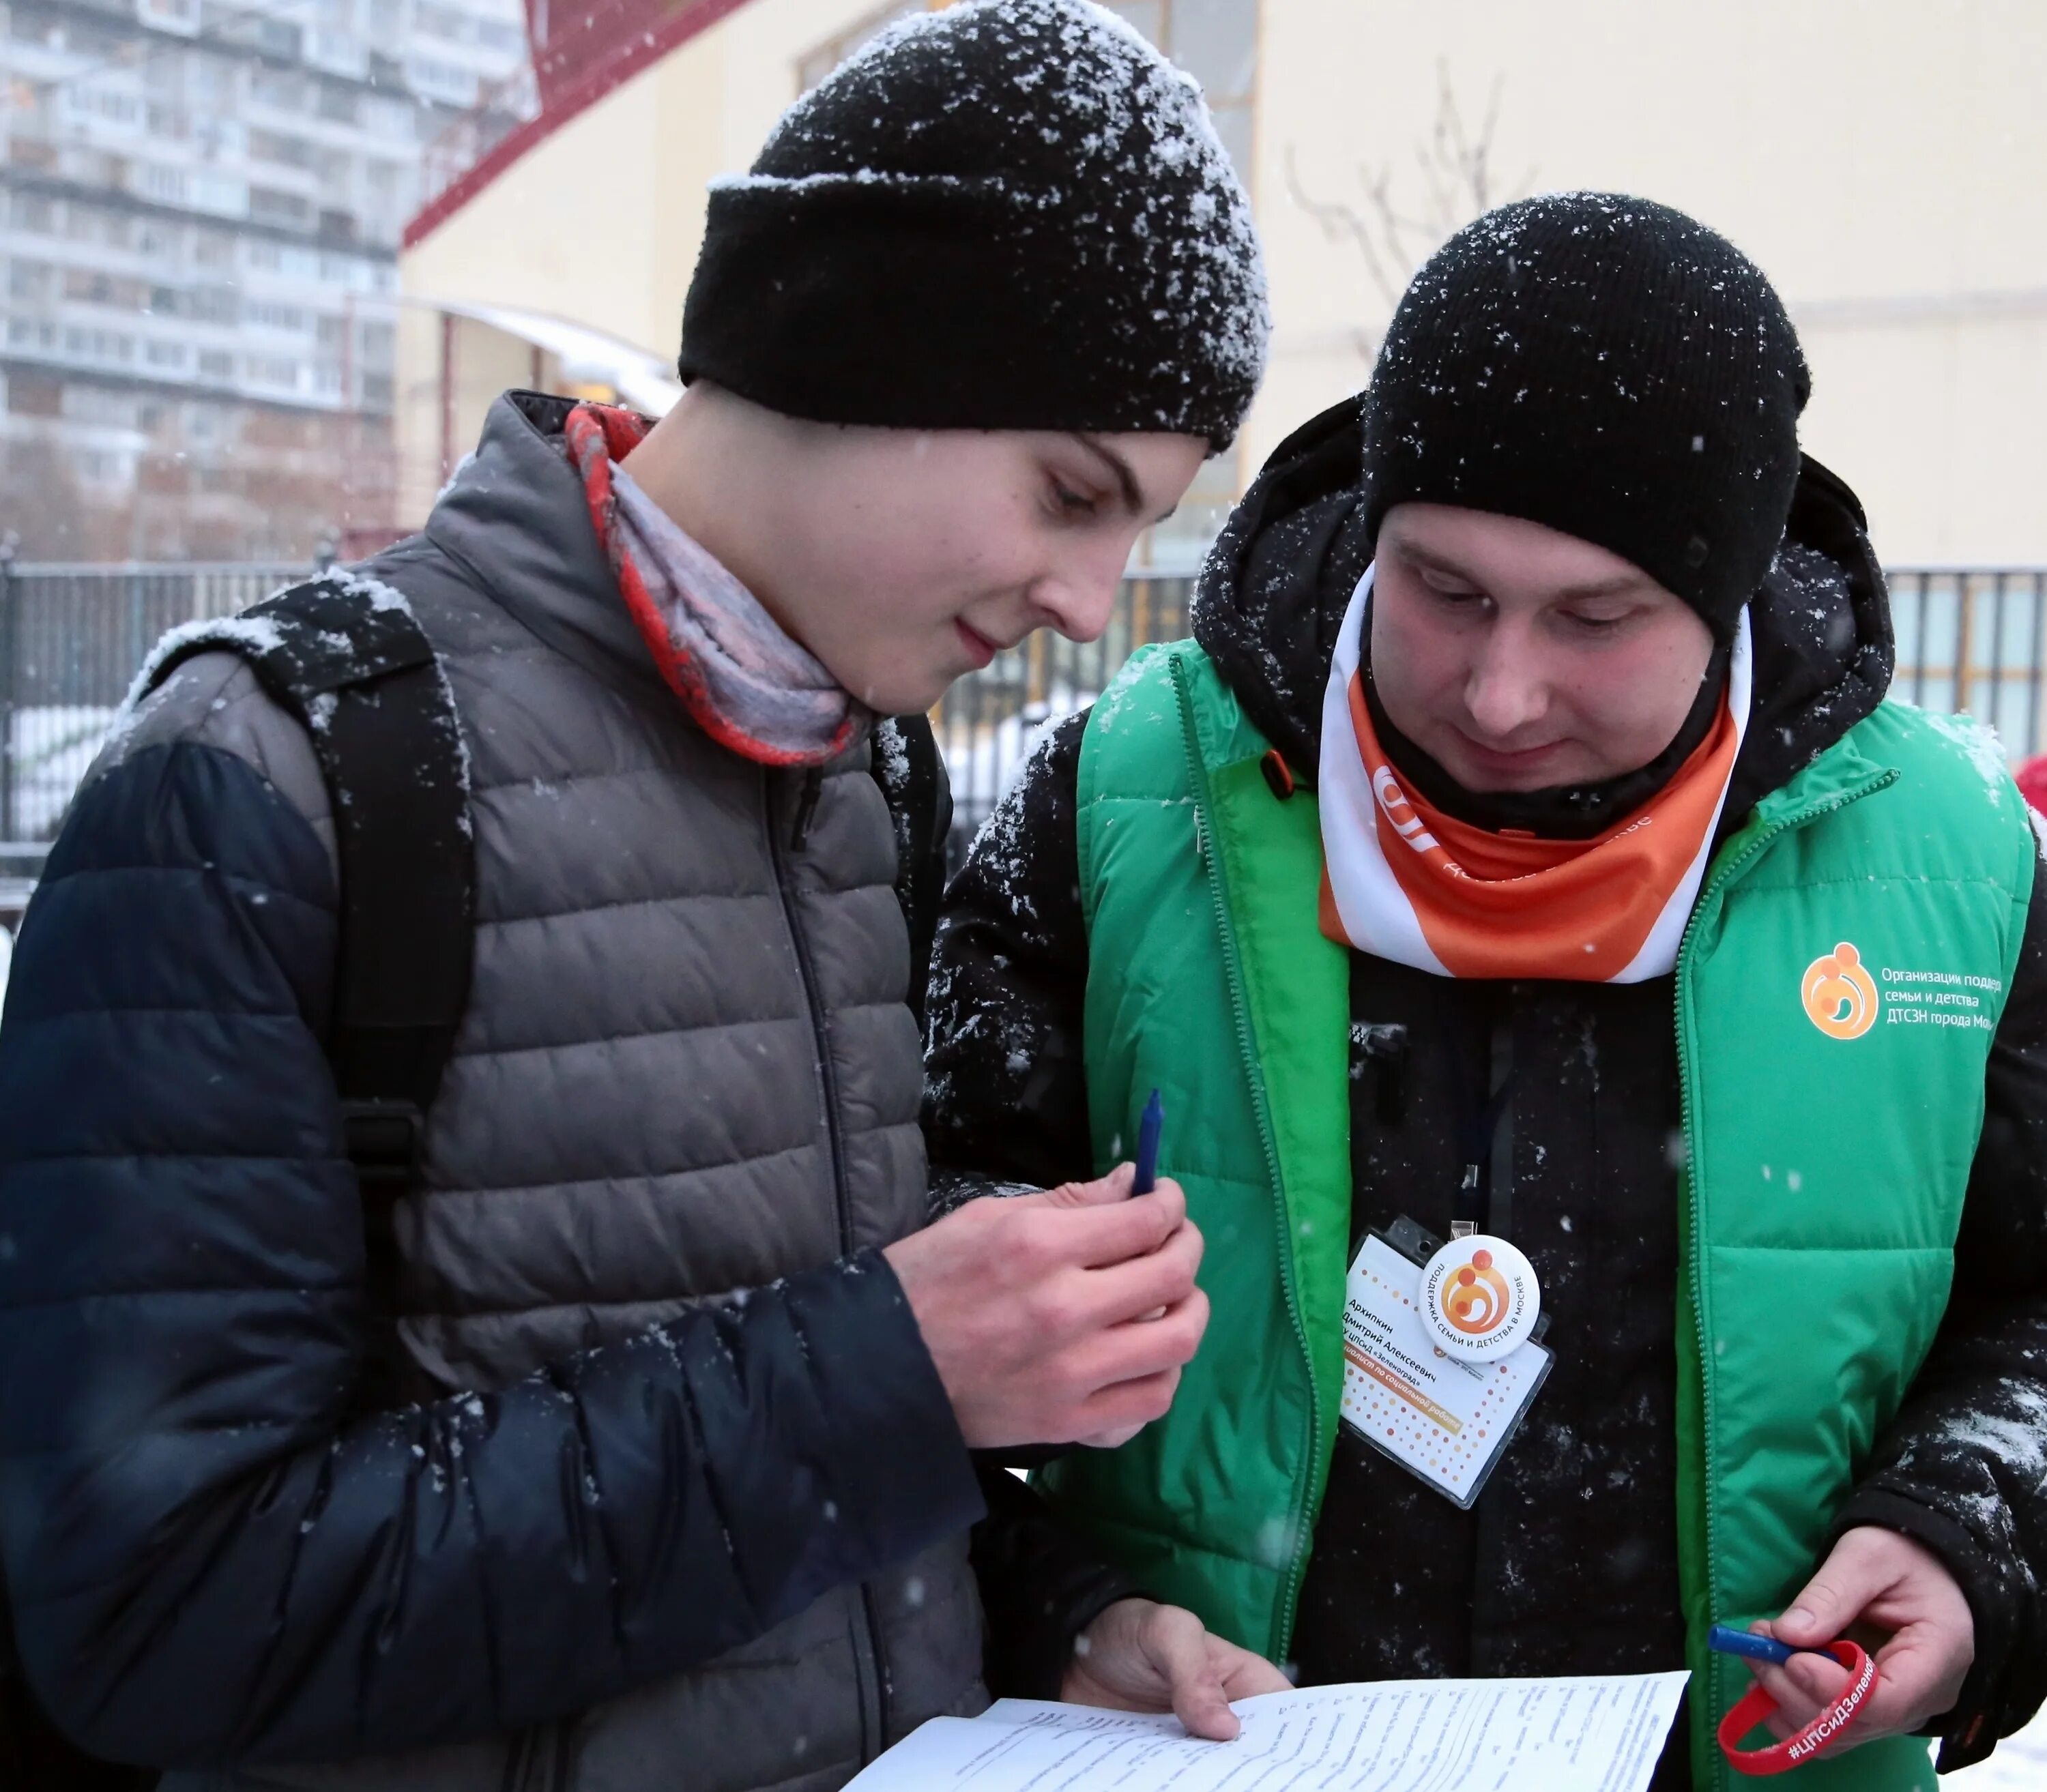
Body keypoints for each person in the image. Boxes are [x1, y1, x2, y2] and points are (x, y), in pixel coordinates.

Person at [0, 3, 1276, 1786]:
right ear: (861, 346)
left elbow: (792, 1447)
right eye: (1071, 491)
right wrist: (888, 1377)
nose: (1088, 595)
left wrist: (1047, 1606)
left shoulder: (859, 778)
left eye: (1135, 524)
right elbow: (162, 1610)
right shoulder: (278, 775)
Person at [925, 193, 2047, 1789]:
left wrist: (1968, 1535)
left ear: (1722, 595)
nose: (1501, 692)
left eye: (1596, 620)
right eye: (1441, 589)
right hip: (1213, 1749)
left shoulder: (1957, 863)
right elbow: (901, 1275)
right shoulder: (1126, 800)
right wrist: (1059, 1605)